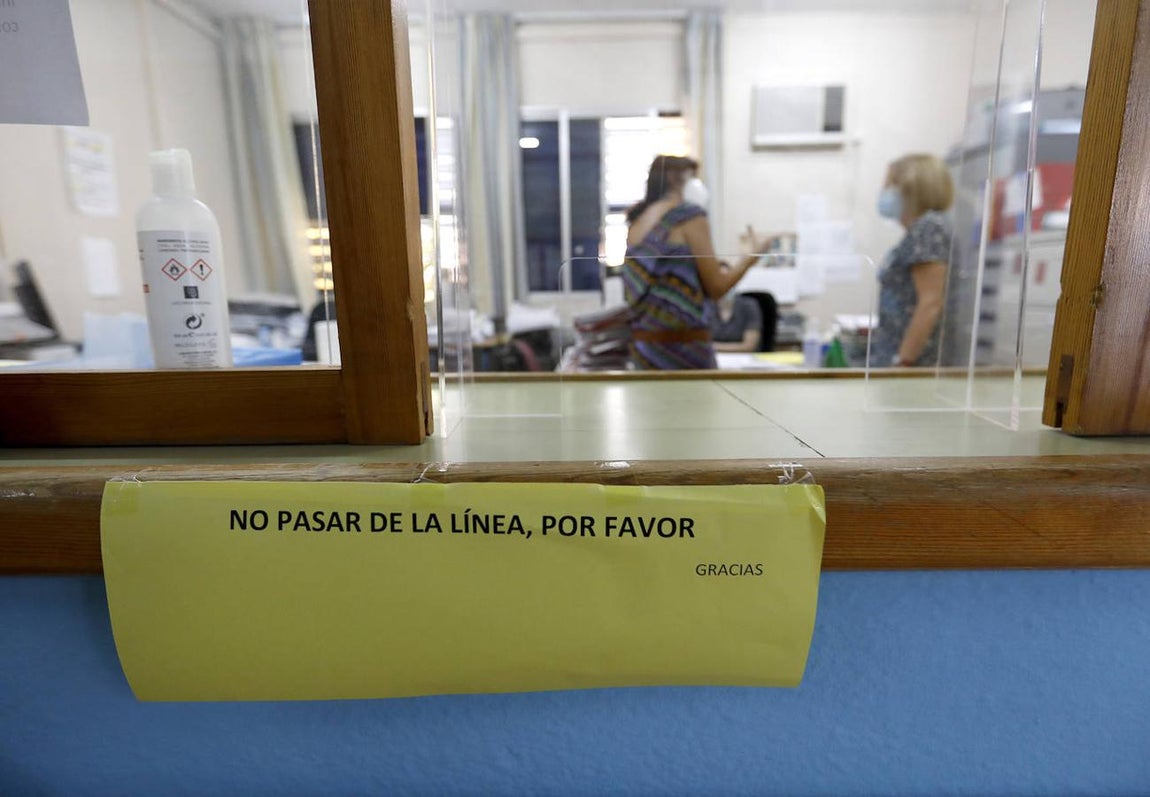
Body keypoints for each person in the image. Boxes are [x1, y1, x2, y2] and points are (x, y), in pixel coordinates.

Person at [622, 155, 764, 370]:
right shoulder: (689, 217)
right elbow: (717, 287)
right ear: (674, 178)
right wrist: (751, 258)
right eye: (693, 177)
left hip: (644, 349)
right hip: (685, 347)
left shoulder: (637, 222)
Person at [869, 153, 954, 368]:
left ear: (911, 188)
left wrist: (903, 362)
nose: (884, 193)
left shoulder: (929, 228)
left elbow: (930, 303)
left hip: (912, 365)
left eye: (889, 186)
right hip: (897, 358)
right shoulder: (919, 231)